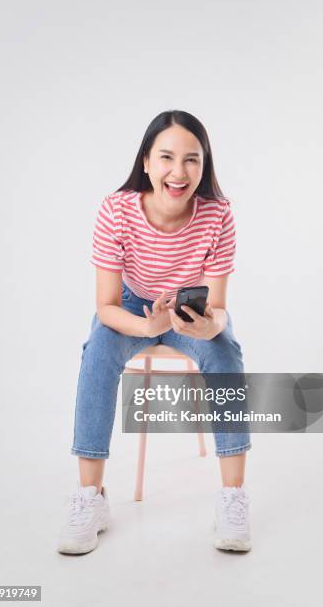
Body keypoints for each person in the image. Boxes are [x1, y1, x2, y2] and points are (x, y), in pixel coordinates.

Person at [57, 110, 252, 555]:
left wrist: (208, 327)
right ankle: (91, 497)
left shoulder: (218, 214)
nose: (178, 172)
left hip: (190, 308)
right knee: (97, 354)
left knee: (226, 355)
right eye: (166, 157)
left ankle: (233, 497)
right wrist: (149, 325)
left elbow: (219, 308)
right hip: (131, 307)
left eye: (192, 160)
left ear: (204, 167)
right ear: (146, 161)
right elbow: (105, 306)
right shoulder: (116, 210)